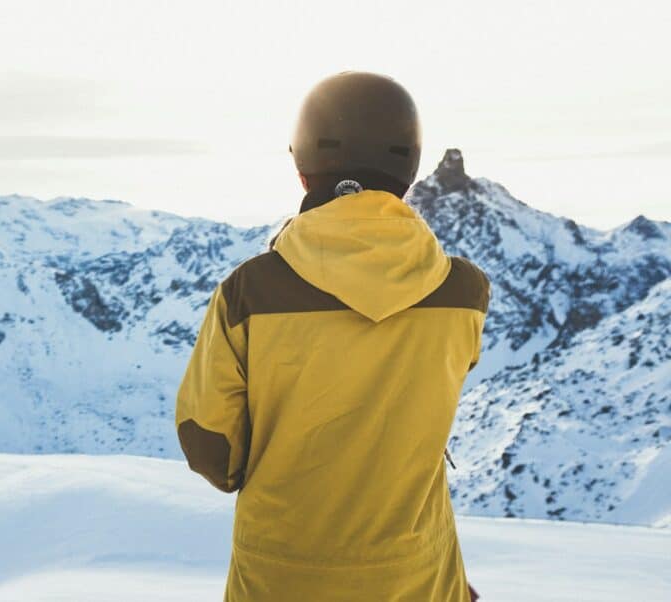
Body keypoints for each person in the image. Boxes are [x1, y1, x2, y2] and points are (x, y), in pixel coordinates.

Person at [175, 72, 488, 601]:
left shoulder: (248, 293)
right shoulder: (462, 293)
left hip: (279, 574)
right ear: (409, 170)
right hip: (418, 572)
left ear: (303, 171)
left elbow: (212, 450)